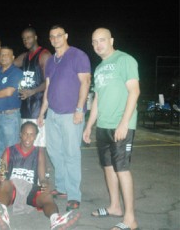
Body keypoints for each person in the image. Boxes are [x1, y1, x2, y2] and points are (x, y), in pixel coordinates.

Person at [83, 28, 140, 230]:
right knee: (108, 167)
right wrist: (89, 125)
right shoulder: (99, 68)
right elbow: (97, 99)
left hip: (120, 125)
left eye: (102, 40)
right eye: (94, 41)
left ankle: (130, 219)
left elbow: (134, 91)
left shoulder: (125, 60)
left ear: (111, 40)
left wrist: (124, 122)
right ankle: (115, 207)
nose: (98, 44)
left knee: (122, 169)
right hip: (103, 125)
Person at [0, 121, 80, 230]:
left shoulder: (39, 152)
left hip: (30, 191)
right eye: (25, 134)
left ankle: (55, 220)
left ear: (36, 136)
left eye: (31, 134)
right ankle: (3, 214)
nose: (28, 138)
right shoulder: (10, 150)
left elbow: (42, 178)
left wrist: (45, 183)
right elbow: (1, 170)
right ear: (20, 134)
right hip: (12, 191)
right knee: (4, 183)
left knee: (47, 194)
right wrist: (0, 176)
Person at [38, 25, 91, 212]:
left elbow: (85, 82)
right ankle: (61, 188)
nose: (55, 39)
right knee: (54, 151)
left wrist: (79, 109)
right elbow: (48, 87)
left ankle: (74, 194)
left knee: (71, 154)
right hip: (53, 113)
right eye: (52, 37)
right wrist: (42, 111)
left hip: (71, 113)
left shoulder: (78, 56)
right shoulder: (51, 61)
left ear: (66, 36)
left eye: (59, 36)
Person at [14, 27, 51, 148]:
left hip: (39, 107)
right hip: (25, 107)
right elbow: (8, 64)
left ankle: (40, 167)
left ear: (35, 37)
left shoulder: (44, 55)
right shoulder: (25, 56)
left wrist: (32, 91)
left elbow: (49, 82)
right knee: (26, 144)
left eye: (29, 37)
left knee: (39, 145)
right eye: (24, 39)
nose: (26, 41)